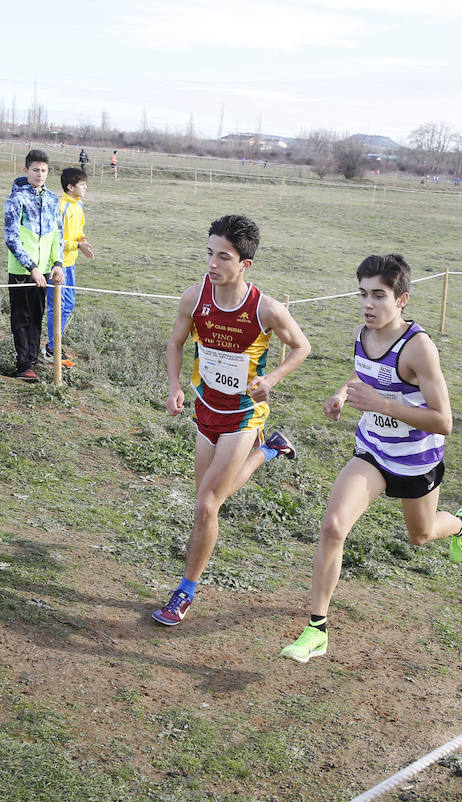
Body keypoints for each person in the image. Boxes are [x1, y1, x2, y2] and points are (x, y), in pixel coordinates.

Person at [280, 254, 462, 663]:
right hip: (373, 450)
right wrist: (342, 394)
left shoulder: (419, 348)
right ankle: (317, 629)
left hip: (416, 460)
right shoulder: (361, 334)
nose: (368, 304)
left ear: (401, 299)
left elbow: (444, 421)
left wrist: (383, 405)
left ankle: (461, 524)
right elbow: (365, 374)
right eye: (363, 294)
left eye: (379, 295)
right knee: (333, 526)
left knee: (421, 536)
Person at [153, 214, 311, 626]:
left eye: (224, 257)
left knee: (206, 505)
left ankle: (184, 593)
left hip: (244, 414)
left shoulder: (266, 309)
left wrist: (270, 380)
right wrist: (174, 386)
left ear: (245, 264)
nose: (213, 263)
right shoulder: (194, 298)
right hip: (206, 409)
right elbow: (175, 342)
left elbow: (302, 347)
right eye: (210, 253)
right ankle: (270, 451)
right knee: (207, 501)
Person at [3, 149, 64, 382]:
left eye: (44, 170)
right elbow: (11, 238)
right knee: (22, 317)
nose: (40, 174)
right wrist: (32, 267)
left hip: (45, 270)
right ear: (26, 170)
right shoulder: (16, 199)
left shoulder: (51, 199)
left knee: (37, 315)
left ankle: (32, 357)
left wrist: (57, 263)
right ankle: (23, 365)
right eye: (35, 170)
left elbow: (57, 233)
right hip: (22, 270)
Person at [45, 166, 94, 367]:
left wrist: (82, 242)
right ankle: (51, 349)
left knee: (68, 305)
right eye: (82, 185)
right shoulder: (60, 206)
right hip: (56, 265)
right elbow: (54, 238)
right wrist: (76, 245)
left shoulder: (79, 205)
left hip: (70, 263)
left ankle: (54, 344)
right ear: (70, 186)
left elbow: (78, 230)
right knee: (57, 306)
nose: (85, 188)